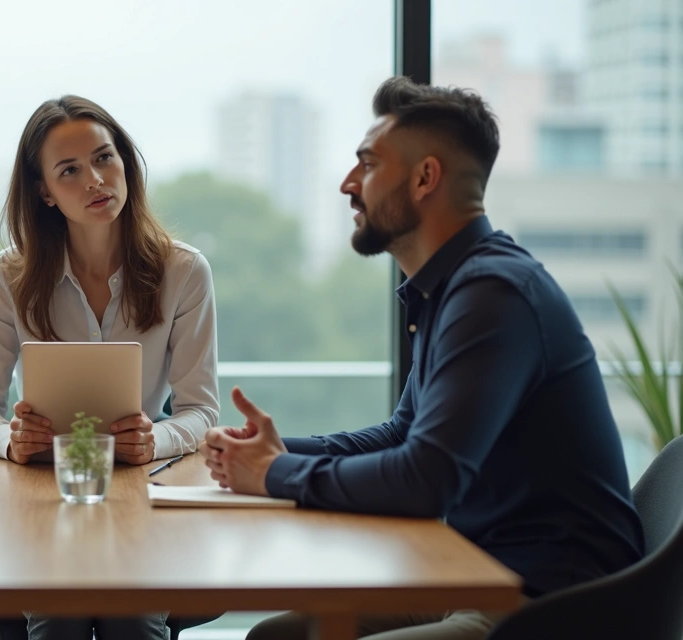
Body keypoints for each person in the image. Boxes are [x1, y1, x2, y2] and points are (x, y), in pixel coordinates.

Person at [203, 77, 645, 640]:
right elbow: (403, 434)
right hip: (474, 574)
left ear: (424, 177)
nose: (347, 184)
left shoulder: (494, 294)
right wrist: (268, 449)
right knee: (277, 637)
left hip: (550, 601)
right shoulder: (455, 289)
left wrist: (273, 473)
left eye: (366, 164)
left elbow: (425, 480)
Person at [0, 95, 220, 640]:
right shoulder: (8, 276)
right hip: (41, 491)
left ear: (125, 161)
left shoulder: (184, 271)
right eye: (69, 171)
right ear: (44, 193)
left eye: (104, 158)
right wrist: (10, 439)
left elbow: (200, 411)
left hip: (139, 489)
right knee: (57, 614)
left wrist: (158, 440)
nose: (95, 180)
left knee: (134, 614)